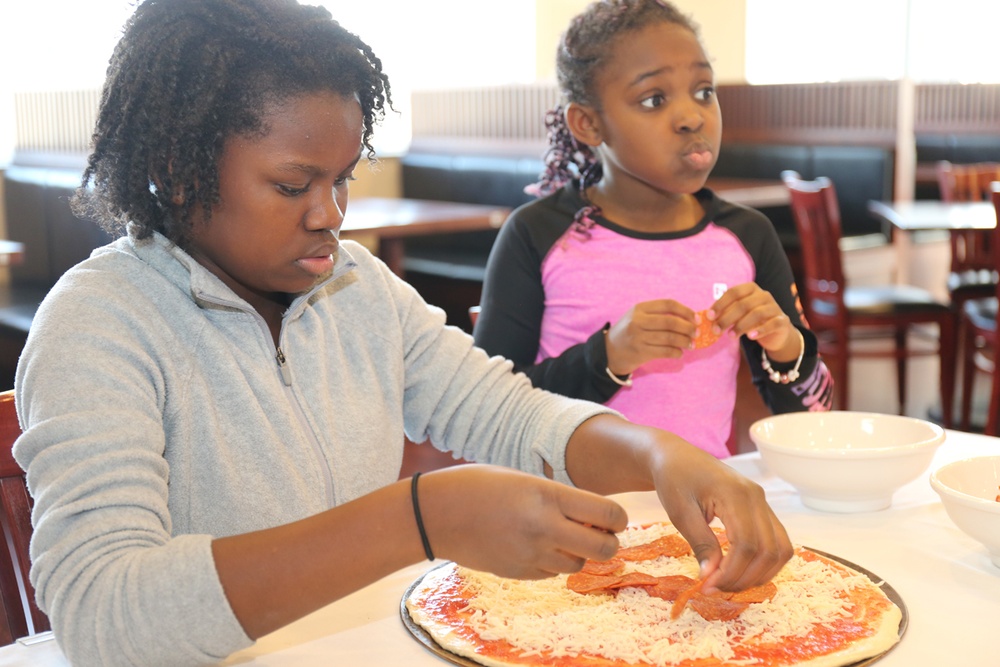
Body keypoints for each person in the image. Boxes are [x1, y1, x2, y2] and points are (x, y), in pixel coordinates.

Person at [12, 1, 793, 665]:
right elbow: (99, 612)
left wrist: (658, 455)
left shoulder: (359, 288)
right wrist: (418, 519)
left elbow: (508, 411)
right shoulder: (99, 323)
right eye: (293, 184)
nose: (331, 214)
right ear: (178, 172)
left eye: (344, 177)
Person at [473, 0, 833, 459]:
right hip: (569, 501)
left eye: (704, 91)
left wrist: (786, 345)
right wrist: (609, 357)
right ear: (589, 123)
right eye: (654, 100)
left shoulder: (747, 235)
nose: (692, 117)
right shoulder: (537, 234)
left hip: (703, 500)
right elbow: (488, 413)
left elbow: (816, 415)